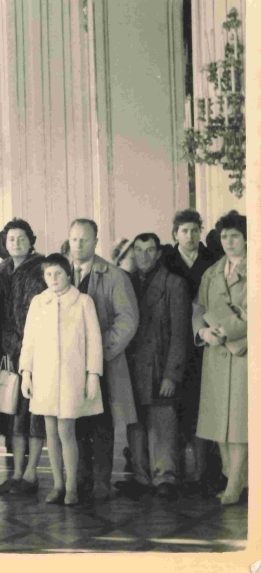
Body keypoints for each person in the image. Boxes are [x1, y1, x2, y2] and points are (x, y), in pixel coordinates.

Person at [21, 253, 104, 506]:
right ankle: (57, 484)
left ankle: (71, 487)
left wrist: (93, 375)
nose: (53, 278)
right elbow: (29, 341)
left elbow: (94, 341)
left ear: (68, 274)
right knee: (50, 432)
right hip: (45, 377)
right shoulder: (38, 302)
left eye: (58, 273)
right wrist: (26, 373)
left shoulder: (82, 302)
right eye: (48, 274)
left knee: (66, 430)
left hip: (72, 376)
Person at [68, 218, 140, 503]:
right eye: (74, 239)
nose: (78, 244)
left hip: (105, 366)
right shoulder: (60, 273)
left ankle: (101, 482)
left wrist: (99, 352)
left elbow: (128, 321)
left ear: (96, 241)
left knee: (101, 424)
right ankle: (80, 480)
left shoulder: (114, 276)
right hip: (71, 366)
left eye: (84, 239)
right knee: (75, 423)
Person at [114, 234, 190, 501]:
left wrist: (172, 374)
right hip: (132, 367)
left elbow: (181, 335)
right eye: (138, 250)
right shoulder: (128, 282)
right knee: (135, 424)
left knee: (162, 422)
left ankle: (165, 477)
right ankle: (142, 477)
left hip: (160, 365)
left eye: (149, 250)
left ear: (159, 253)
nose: (143, 256)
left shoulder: (173, 283)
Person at [0, 219, 47, 496]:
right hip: (7, 354)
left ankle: (31, 473)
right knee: (13, 415)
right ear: (4, 242)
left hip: (37, 352)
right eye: (11, 238)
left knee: (33, 415)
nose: (16, 243)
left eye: (21, 238)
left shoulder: (43, 269)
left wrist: (28, 347)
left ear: (30, 240)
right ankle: (16, 473)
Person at [161, 209, 219, 495]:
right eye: (184, 231)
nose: (190, 236)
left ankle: (203, 472)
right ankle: (177, 472)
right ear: (175, 234)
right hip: (173, 341)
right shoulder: (166, 261)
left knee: (202, 406)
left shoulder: (212, 261)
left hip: (204, 342)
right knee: (176, 409)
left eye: (195, 230)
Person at [194, 210, 248, 506]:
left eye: (234, 236)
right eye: (224, 236)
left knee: (240, 422)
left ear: (246, 239)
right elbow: (198, 307)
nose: (229, 242)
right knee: (219, 422)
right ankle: (232, 474)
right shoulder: (212, 272)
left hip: (244, 353)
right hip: (215, 354)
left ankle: (237, 483)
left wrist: (225, 329)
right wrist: (203, 333)